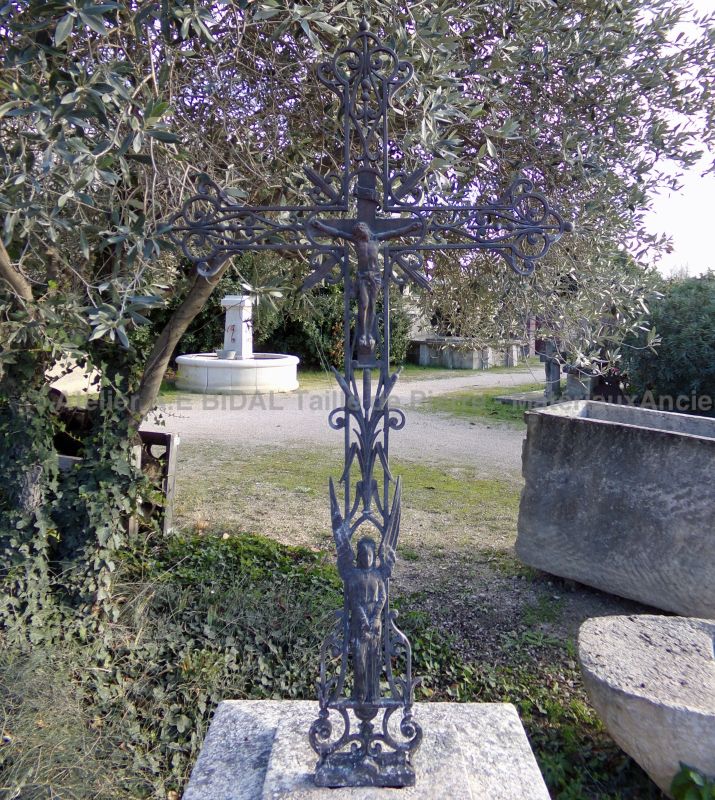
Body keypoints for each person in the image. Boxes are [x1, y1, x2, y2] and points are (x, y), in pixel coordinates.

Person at [311, 218, 420, 353]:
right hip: (362, 276)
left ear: (366, 230)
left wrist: (411, 227)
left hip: (375, 277)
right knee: (363, 305)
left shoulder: (377, 238)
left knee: (372, 305)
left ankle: (369, 334)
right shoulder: (357, 241)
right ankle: (363, 334)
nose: (360, 235)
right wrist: (320, 225)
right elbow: (337, 232)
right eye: (358, 233)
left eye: (361, 232)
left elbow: (396, 232)